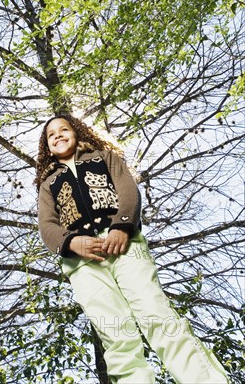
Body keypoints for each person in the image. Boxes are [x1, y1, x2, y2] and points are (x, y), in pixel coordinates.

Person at [36, 114, 229, 384]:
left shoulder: (105, 157)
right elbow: (47, 225)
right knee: (116, 335)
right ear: (47, 146)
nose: (57, 135)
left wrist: (122, 225)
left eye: (63, 129)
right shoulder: (48, 184)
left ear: (76, 132)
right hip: (83, 263)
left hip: (124, 246)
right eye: (50, 135)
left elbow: (128, 190)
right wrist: (70, 242)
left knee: (156, 315)